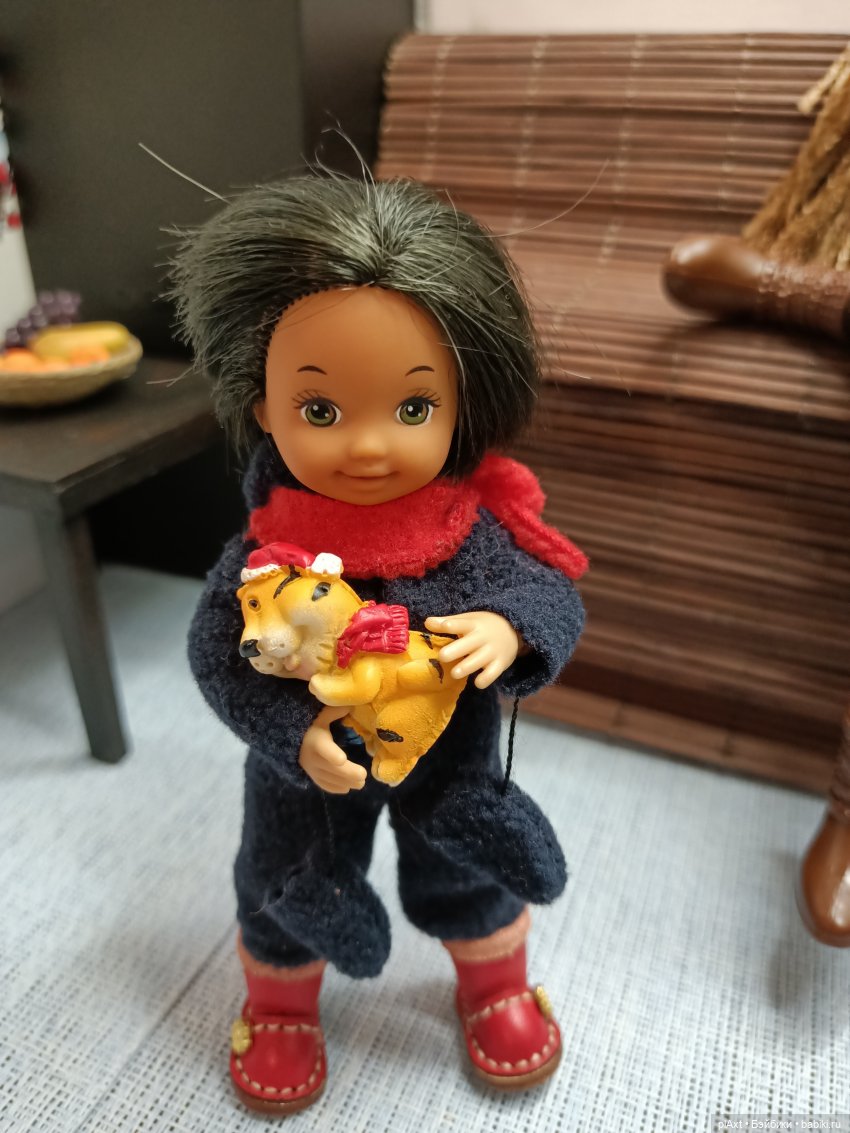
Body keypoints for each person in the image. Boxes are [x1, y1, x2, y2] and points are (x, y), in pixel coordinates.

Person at [170, 175, 587, 1115]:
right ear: (265, 406)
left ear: (462, 403)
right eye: (321, 410)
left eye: (411, 409)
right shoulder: (265, 552)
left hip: (451, 763)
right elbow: (215, 650)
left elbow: (546, 590)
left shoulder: (468, 530)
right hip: (305, 776)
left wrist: (508, 627)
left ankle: (493, 979)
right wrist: (293, 731)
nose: (367, 447)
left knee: (467, 868)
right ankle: (280, 999)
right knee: (285, 878)